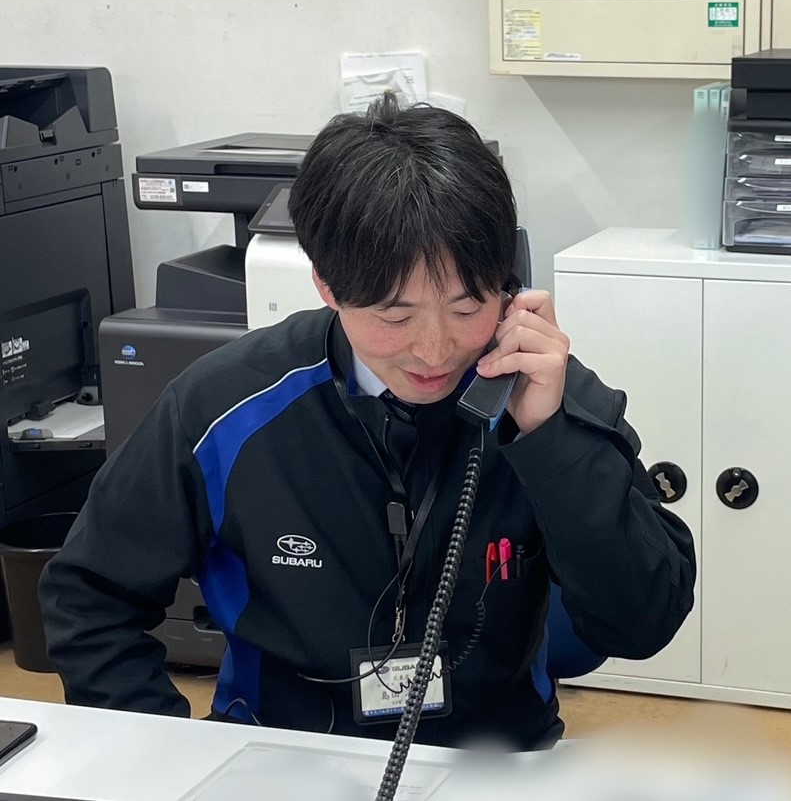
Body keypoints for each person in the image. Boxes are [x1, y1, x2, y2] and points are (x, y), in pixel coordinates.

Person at [41, 95, 695, 748]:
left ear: (510, 285)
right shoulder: (225, 405)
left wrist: (552, 442)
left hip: (497, 759)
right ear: (327, 286)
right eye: (393, 315)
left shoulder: (545, 392)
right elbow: (89, 596)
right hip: (280, 755)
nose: (434, 350)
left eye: (467, 308)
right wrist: (170, 759)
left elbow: (643, 623)